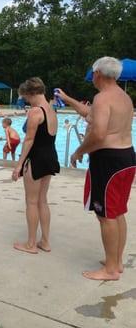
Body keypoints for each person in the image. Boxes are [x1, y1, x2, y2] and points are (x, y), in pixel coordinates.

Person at [58, 57, 135, 281]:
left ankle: (110, 270)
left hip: (108, 162)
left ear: (98, 73)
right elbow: (90, 115)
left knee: (106, 215)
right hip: (127, 157)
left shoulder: (102, 98)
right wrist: (67, 99)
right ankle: (116, 262)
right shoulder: (123, 97)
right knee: (117, 212)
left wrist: (78, 151)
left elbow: (99, 133)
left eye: (92, 73)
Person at [11, 77, 59, 254]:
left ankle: (31, 244)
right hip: (50, 157)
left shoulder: (35, 112)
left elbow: (29, 140)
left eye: (26, 98)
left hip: (36, 159)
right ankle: (45, 241)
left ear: (31, 94)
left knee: (31, 202)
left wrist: (19, 165)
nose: (26, 101)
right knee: (42, 201)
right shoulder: (52, 111)